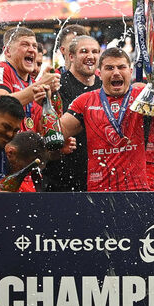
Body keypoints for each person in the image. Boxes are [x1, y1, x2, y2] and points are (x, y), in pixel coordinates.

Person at [59, 47, 150, 192]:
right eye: (109, 68)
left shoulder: (143, 96)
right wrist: (46, 104)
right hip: (99, 189)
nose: (116, 72)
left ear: (130, 72)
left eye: (121, 67)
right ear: (99, 74)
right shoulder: (85, 101)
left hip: (136, 188)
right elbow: (57, 133)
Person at [41, 34, 101, 192]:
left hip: (98, 177)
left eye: (95, 51)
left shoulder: (104, 87)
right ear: (71, 56)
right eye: (84, 51)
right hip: (60, 179)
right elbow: (41, 127)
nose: (90, 56)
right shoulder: (56, 85)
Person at [0, 26, 60, 123]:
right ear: (7, 51)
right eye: (25, 45)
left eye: (34, 46)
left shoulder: (34, 84)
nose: (32, 50)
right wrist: (40, 85)